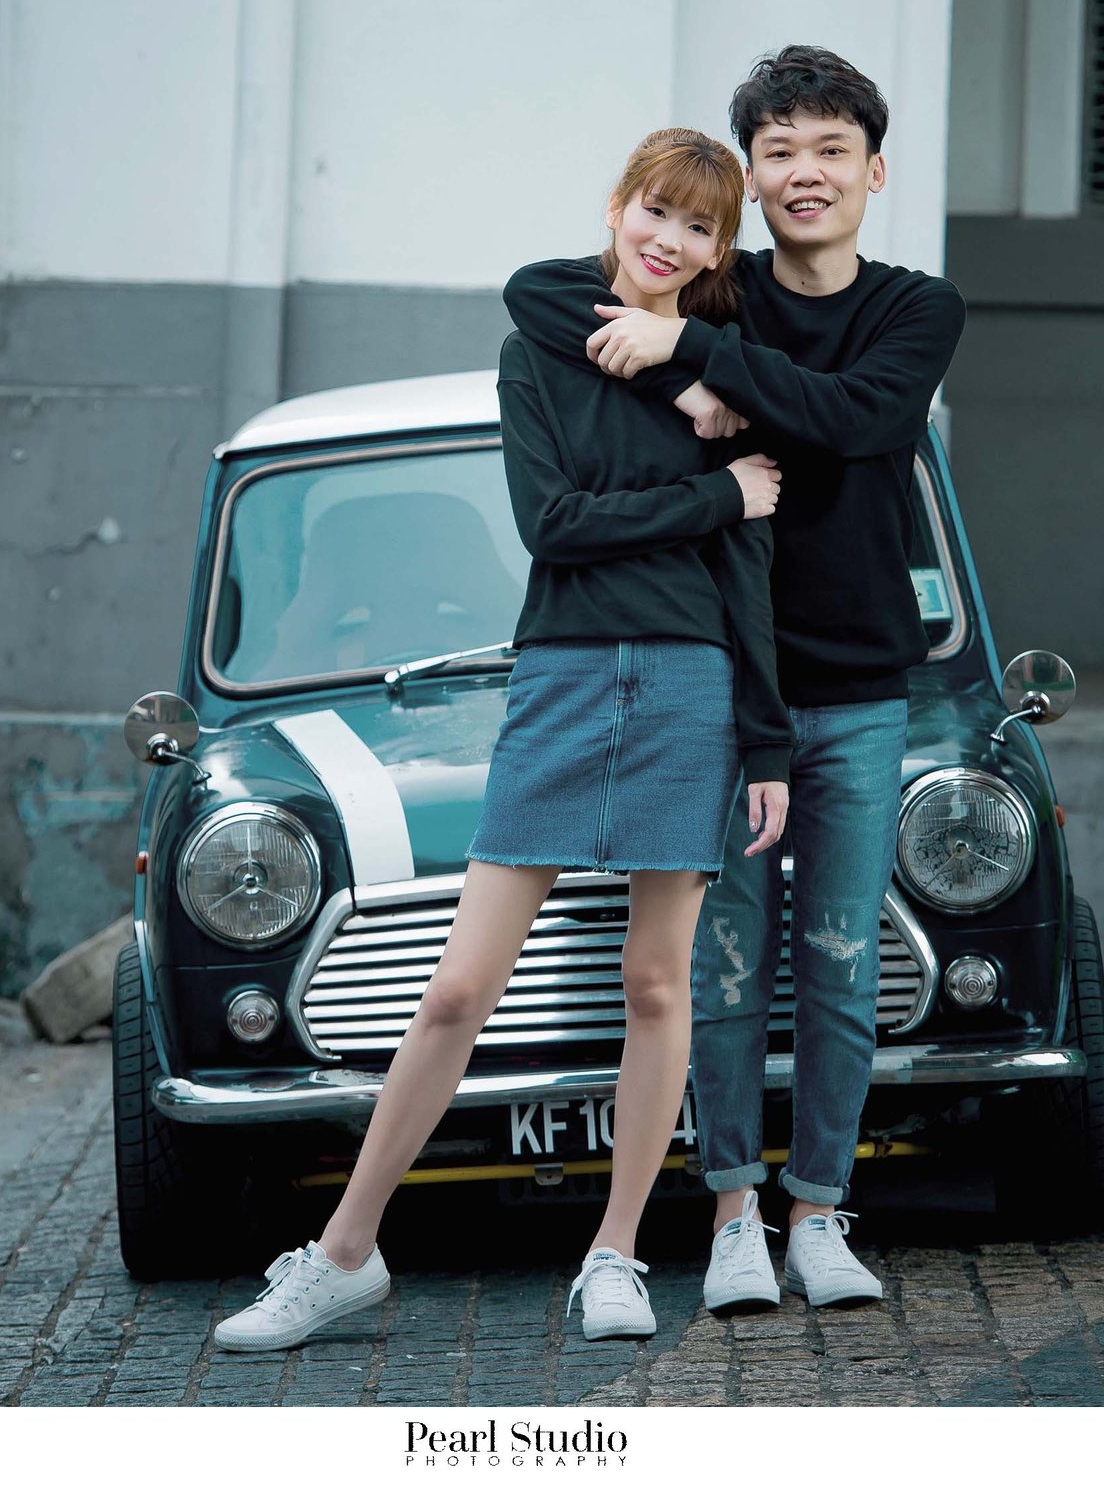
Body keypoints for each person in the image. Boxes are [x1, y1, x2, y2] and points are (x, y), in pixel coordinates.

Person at [213, 129, 791, 1353]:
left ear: (718, 251)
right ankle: (344, 1255)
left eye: (697, 226)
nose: (667, 239)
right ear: (618, 206)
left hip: (691, 681)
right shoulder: (545, 341)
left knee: (656, 983)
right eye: (654, 210)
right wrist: (712, 490)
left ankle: (617, 1255)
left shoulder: (729, 370)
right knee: (457, 989)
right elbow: (555, 525)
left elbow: (747, 572)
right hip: (565, 675)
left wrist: (770, 744)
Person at [502, 46, 966, 1312]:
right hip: (718, 681)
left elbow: (862, 418)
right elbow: (541, 293)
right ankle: (730, 1218)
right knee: (718, 970)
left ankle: (819, 1211)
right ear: (752, 181)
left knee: (841, 961)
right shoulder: (721, 285)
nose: (806, 172)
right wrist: (686, 348)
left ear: (874, 172)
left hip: (860, 687)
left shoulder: (916, 309)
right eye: (780, 152)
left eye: (831, 150)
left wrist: (699, 361)